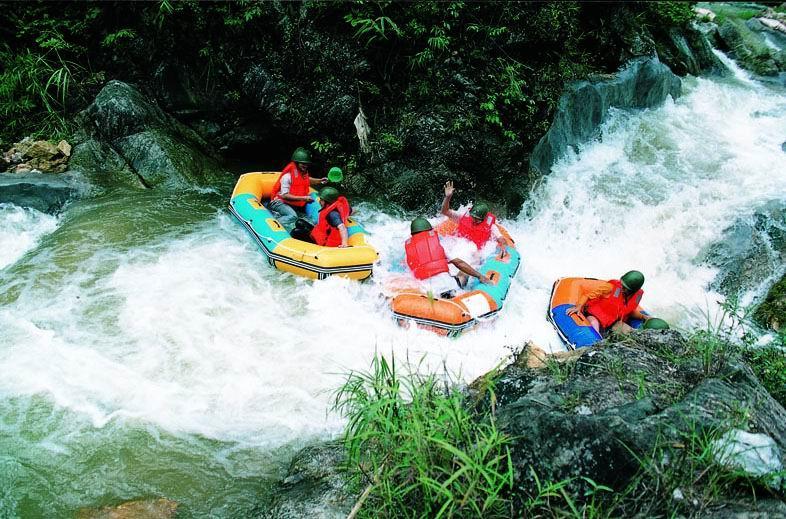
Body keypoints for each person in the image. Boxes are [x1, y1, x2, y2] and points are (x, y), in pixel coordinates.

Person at [405, 217, 491, 298]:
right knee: (463, 273)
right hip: (449, 287)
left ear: (412, 234)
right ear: (430, 230)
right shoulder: (439, 244)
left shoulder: (409, 251)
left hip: (429, 292)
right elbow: (459, 263)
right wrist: (479, 276)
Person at [566, 270, 653, 335]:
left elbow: (629, 310)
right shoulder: (610, 287)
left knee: (630, 333)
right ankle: (595, 342)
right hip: (594, 316)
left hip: (613, 322)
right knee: (594, 323)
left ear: (634, 290)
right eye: (622, 285)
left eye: (626, 288)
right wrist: (578, 307)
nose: (622, 288)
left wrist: (643, 316)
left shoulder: (637, 295)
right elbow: (587, 295)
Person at [269, 147, 327, 230]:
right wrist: (303, 198)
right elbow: (284, 196)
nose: (305, 165)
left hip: (293, 203)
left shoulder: (303, 173)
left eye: (306, 163)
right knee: (293, 216)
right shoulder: (287, 176)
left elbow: (307, 180)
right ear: (296, 163)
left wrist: (320, 181)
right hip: (279, 202)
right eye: (302, 163)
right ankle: (271, 225)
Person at [440, 181, 506, 249]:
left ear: (483, 218)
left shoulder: (491, 227)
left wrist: (503, 247)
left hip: (475, 253)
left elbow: (501, 238)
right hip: (459, 245)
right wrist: (447, 197)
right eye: (473, 217)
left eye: (477, 219)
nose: (474, 219)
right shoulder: (463, 217)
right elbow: (445, 211)